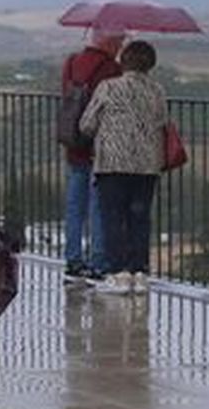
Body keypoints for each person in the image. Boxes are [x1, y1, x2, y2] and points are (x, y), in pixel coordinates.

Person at [79, 40, 169, 295]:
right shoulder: (158, 91)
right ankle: (140, 272)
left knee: (113, 217)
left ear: (123, 61)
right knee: (140, 218)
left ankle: (118, 273)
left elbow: (87, 123)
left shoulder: (108, 87)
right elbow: (162, 120)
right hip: (147, 164)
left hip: (112, 163)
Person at [59, 30, 124, 281]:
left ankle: (73, 259)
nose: (121, 45)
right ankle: (99, 261)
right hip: (100, 146)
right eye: (119, 40)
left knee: (74, 206)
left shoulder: (72, 62)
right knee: (98, 206)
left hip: (74, 143)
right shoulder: (111, 68)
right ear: (108, 41)